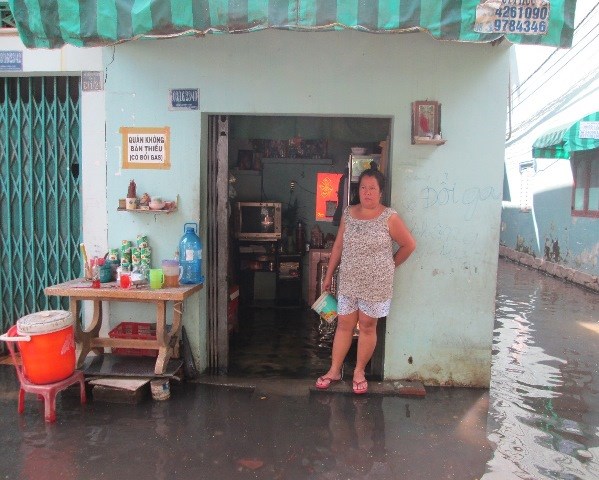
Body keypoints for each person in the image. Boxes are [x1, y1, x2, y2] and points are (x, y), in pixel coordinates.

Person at [315, 165, 416, 394]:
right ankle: (334, 370)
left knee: (368, 327)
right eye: (363, 187)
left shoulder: (389, 217)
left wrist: (390, 265)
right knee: (343, 325)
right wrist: (329, 275)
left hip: (376, 283)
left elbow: (409, 245)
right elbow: (339, 245)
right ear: (358, 190)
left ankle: (359, 371)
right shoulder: (349, 214)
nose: (367, 192)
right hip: (349, 280)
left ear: (381, 192)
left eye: (372, 188)